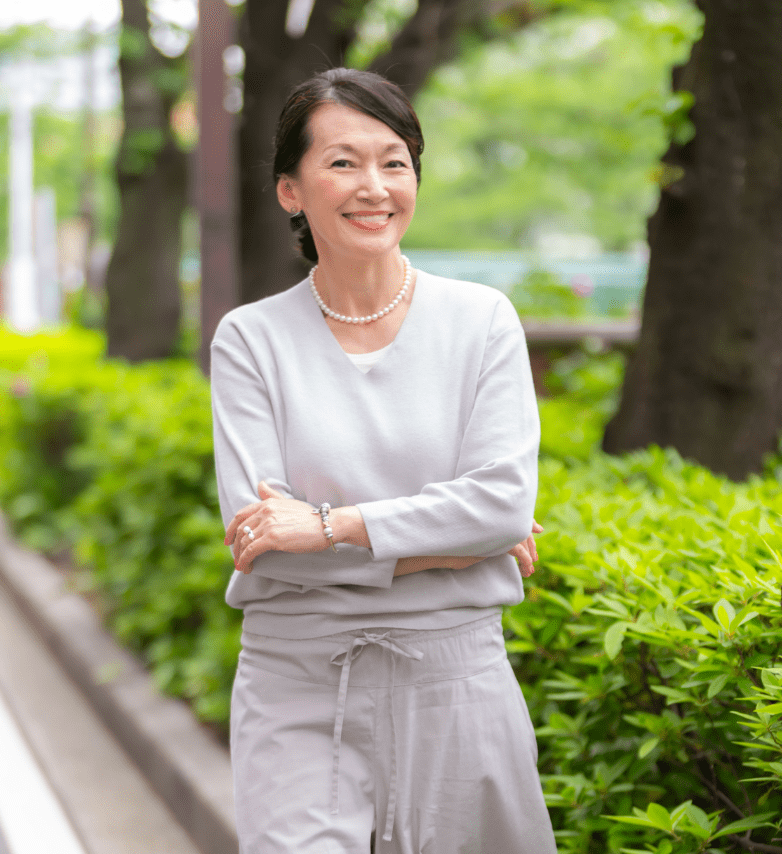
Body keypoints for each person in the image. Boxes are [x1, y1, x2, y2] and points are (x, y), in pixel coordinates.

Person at [209, 66, 558, 853]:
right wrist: (458, 545)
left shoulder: (482, 322)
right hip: (300, 683)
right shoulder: (250, 340)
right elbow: (264, 544)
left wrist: (333, 525)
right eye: (342, 162)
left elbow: (500, 506)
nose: (374, 186)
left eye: (394, 161)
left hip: (456, 679)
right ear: (290, 191)